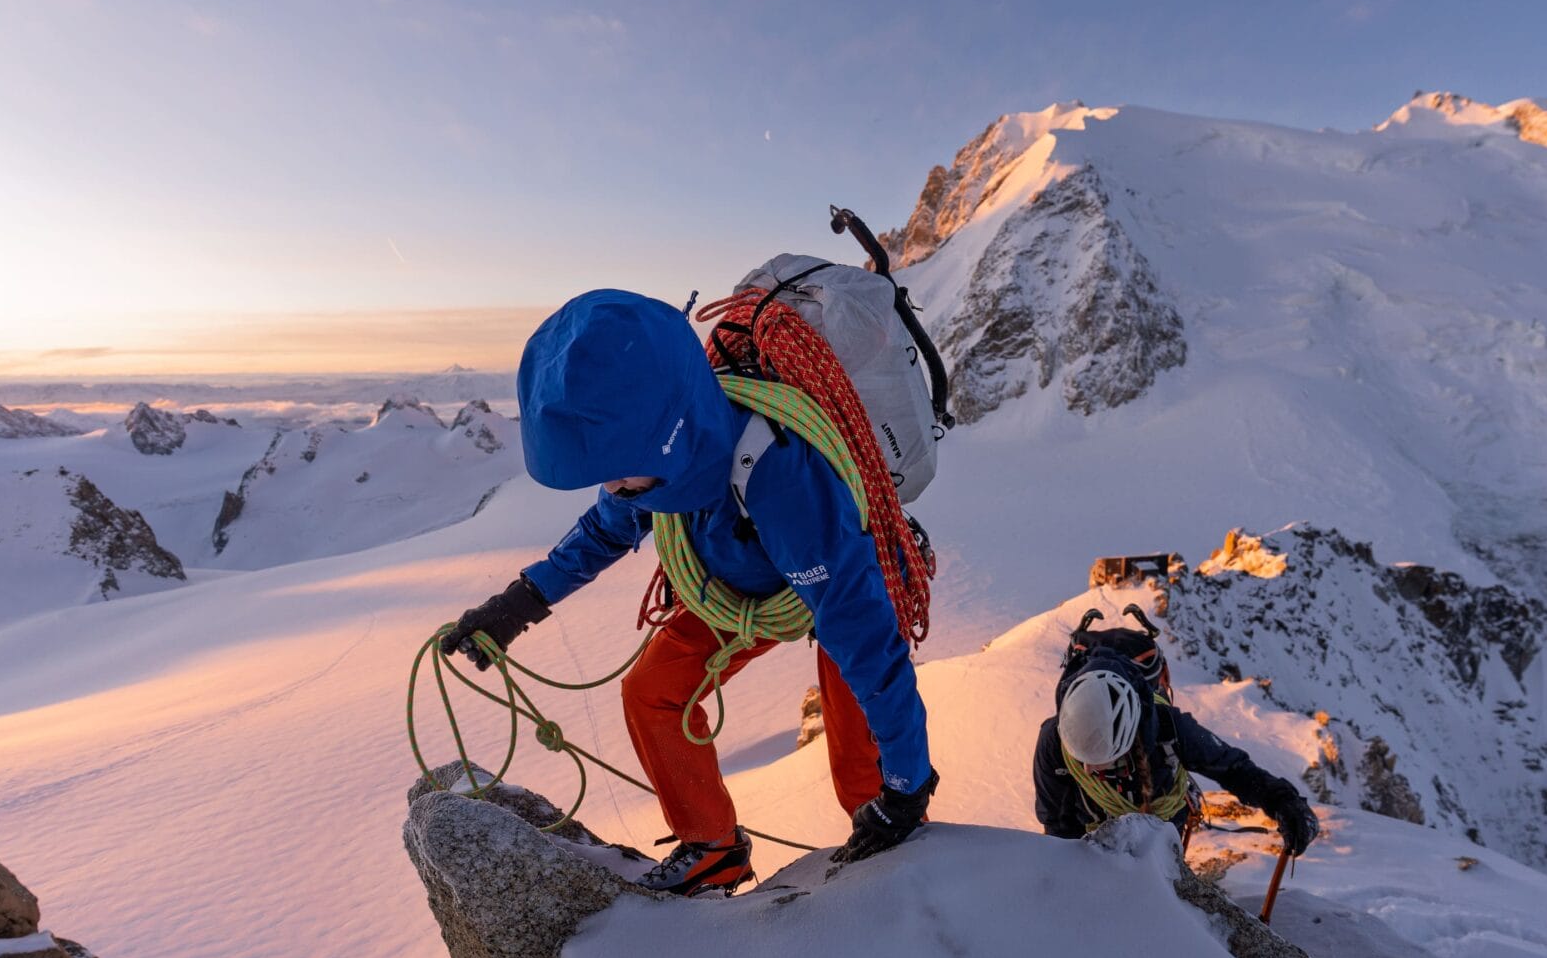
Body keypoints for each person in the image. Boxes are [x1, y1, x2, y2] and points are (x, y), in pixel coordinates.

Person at [441, 289, 938, 895]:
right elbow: (604, 530)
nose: (613, 486)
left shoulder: (782, 475)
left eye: (618, 468)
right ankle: (713, 848)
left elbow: (861, 633)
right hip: (735, 588)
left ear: (664, 435)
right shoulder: (656, 467)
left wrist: (908, 783)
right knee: (653, 691)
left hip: (832, 583)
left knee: (867, 767)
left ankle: (895, 868)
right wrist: (515, 608)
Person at [1032, 645, 1318, 854]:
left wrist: (1283, 801)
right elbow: (1057, 823)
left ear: (1131, 736)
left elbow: (1232, 768)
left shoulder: (1169, 729)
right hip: (1091, 841)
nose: (1087, 771)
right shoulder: (1053, 742)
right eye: (1080, 760)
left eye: (1105, 760)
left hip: (1163, 830)